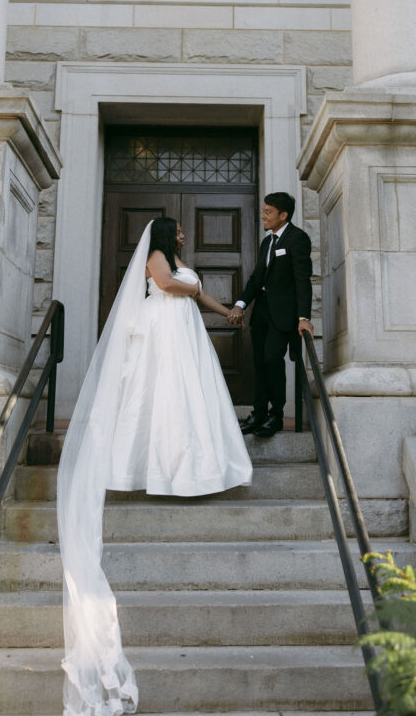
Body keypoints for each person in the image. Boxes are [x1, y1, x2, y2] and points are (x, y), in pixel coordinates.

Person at [57, 216, 252, 716]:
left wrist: (225, 310)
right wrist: (191, 291)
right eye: (180, 233)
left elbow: (192, 291)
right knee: (161, 399)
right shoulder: (158, 261)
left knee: (190, 400)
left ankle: (197, 468)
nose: (185, 237)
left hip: (185, 332)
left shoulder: (183, 262)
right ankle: (155, 469)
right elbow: (166, 288)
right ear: (166, 237)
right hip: (165, 333)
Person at [227, 192, 313, 438]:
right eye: (263, 210)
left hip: (284, 315)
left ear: (283, 215)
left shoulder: (298, 239)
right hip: (261, 313)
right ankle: (258, 414)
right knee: (259, 364)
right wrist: (241, 304)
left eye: (268, 211)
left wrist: (303, 317)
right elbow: (257, 278)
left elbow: (301, 279)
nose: (263, 216)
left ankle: (276, 415)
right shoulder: (267, 242)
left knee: (272, 359)